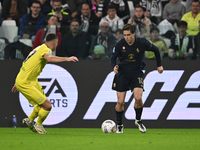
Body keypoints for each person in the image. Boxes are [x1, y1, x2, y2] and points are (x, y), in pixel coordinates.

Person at [11, 33, 78, 134]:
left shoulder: (39, 48)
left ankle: (30, 120)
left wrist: (17, 82)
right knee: (47, 105)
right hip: (26, 82)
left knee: (42, 103)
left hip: (28, 80)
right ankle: (38, 125)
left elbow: (26, 63)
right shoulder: (46, 50)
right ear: (56, 42)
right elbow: (49, 58)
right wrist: (67, 59)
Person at [110, 24, 163, 133]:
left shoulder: (142, 42)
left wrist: (159, 65)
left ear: (134, 33)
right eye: (124, 35)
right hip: (122, 74)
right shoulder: (120, 44)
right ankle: (119, 125)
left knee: (138, 98)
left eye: (128, 35)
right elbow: (113, 57)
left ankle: (138, 120)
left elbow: (156, 50)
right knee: (120, 102)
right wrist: (114, 66)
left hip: (136, 73)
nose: (126, 37)